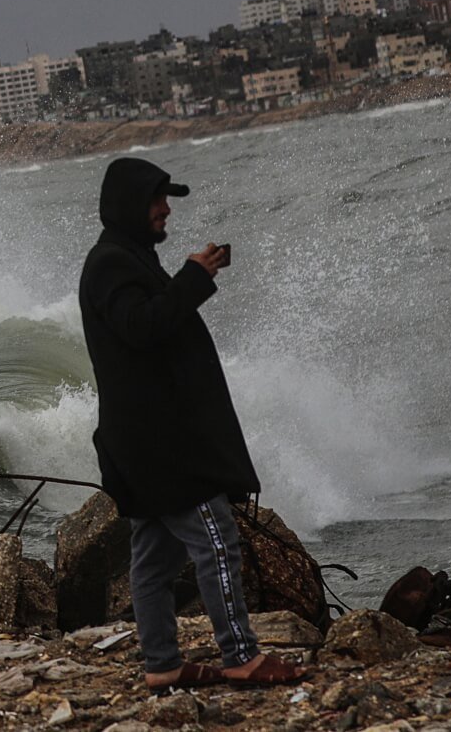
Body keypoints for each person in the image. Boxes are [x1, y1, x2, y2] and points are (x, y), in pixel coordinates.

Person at [78, 156, 306, 690]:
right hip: (162, 446)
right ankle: (241, 656)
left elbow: (153, 322)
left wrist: (188, 275)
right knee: (216, 542)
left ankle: (161, 664)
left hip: (148, 442)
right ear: (132, 205)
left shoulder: (127, 258)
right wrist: (193, 278)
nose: (165, 210)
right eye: (158, 201)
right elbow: (143, 327)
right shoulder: (110, 263)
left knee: (154, 561)